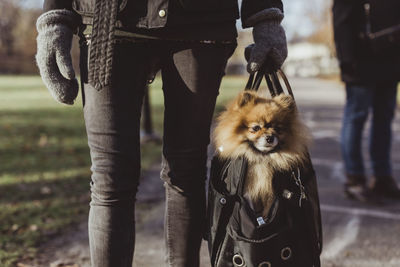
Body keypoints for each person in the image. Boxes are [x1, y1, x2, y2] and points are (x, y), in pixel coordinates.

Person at [35, 0, 287, 266]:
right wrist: (55, 18)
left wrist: (265, 17)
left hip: (201, 23)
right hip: (110, 23)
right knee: (110, 177)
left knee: (187, 172)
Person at [332, 0, 400, 202]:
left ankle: (382, 177)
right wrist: (347, 58)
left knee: (384, 118)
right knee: (356, 116)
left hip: (390, 59)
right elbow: (341, 18)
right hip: (360, 60)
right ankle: (355, 180)